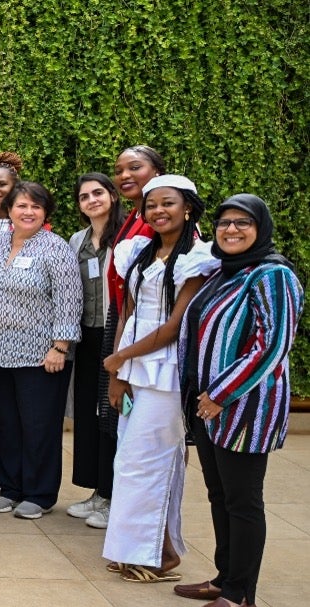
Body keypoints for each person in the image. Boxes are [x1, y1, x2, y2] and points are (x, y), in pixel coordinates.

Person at [178, 193, 304, 607]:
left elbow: (270, 346)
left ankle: (241, 593)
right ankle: (224, 575)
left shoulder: (273, 276)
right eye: (224, 222)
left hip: (244, 409)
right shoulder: (225, 272)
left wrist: (218, 394)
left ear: (260, 228)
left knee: (243, 501)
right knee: (220, 495)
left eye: (242, 222)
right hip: (209, 407)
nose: (231, 230)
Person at [102, 175, 217, 583]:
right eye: (151, 205)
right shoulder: (137, 252)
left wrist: (120, 358)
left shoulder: (197, 259)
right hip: (135, 365)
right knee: (128, 462)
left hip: (166, 371)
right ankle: (145, 549)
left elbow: (173, 327)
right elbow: (128, 314)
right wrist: (117, 371)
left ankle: (154, 554)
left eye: (167, 203)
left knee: (151, 463)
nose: (158, 211)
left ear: (187, 208)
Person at [0, 181, 80, 519]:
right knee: (7, 424)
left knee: (39, 426)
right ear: (8, 210)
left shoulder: (56, 248)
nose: (28, 212)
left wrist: (60, 346)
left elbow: (69, 300)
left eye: (36, 207)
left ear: (45, 213)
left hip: (41, 355)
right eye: (21, 205)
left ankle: (39, 494)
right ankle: (10, 488)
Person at [86, 146, 167, 529]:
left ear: (157, 170)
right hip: (122, 318)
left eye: (134, 167)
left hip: (148, 331)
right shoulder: (136, 216)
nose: (125, 175)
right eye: (119, 169)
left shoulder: (160, 219)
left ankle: (126, 507)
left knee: (131, 416)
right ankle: (108, 495)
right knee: (111, 414)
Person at [65, 172, 126, 526]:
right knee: (89, 413)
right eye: (84, 196)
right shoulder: (78, 240)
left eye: (98, 193)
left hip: (114, 334)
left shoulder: (127, 238)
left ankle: (112, 495)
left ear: (112, 196)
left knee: (111, 415)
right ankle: (96, 491)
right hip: (85, 336)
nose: (92, 200)